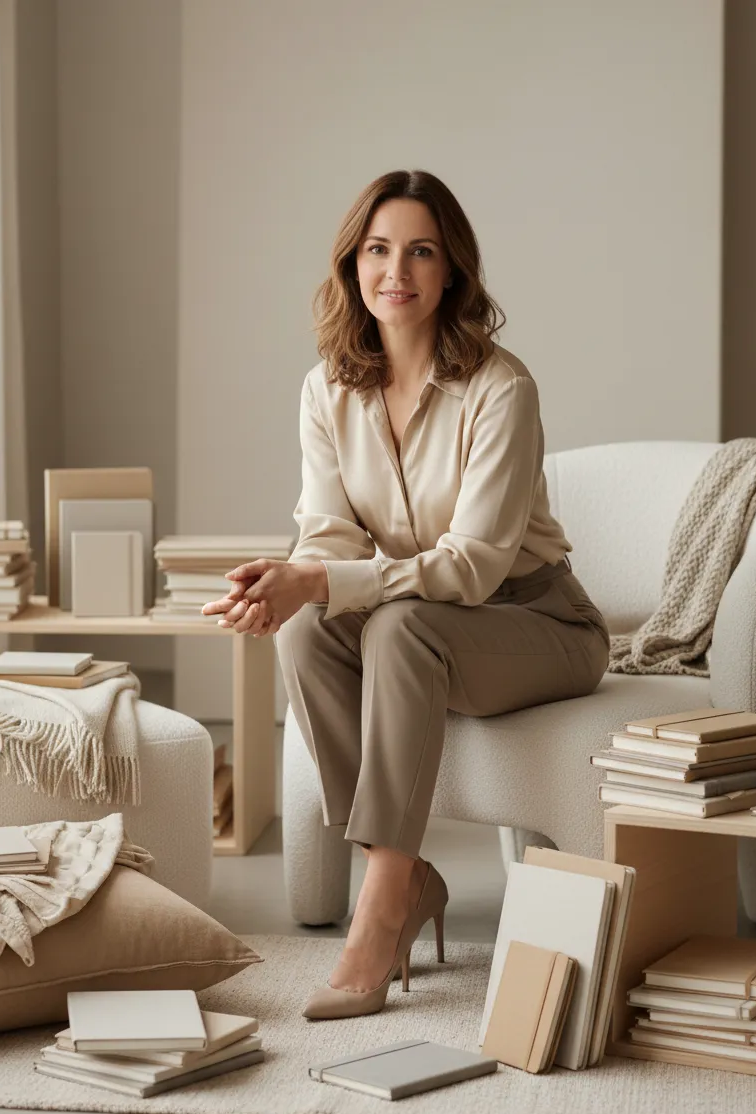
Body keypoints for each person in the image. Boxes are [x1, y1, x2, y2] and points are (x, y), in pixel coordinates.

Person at [201, 169, 610, 1020]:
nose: (397, 271)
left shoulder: (502, 388)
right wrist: (287, 586)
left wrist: (321, 579)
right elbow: (329, 535)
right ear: (352, 264)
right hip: (419, 616)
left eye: (421, 251)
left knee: (395, 629)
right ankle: (406, 875)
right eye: (378, 250)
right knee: (305, 631)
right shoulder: (327, 388)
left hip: (538, 621)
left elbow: (473, 568)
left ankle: (381, 908)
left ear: (451, 269)